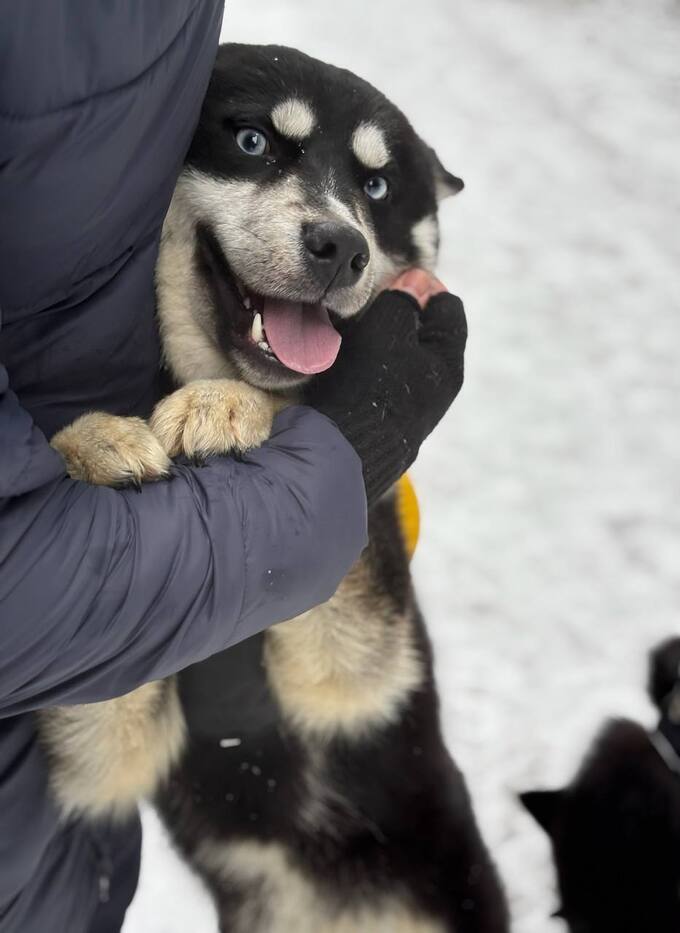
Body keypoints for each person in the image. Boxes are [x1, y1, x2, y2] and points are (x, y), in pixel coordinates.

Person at [0, 3, 468, 932]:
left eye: (370, 193)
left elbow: (352, 677)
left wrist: (332, 463)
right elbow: (105, 756)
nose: (337, 224)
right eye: (256, 142)